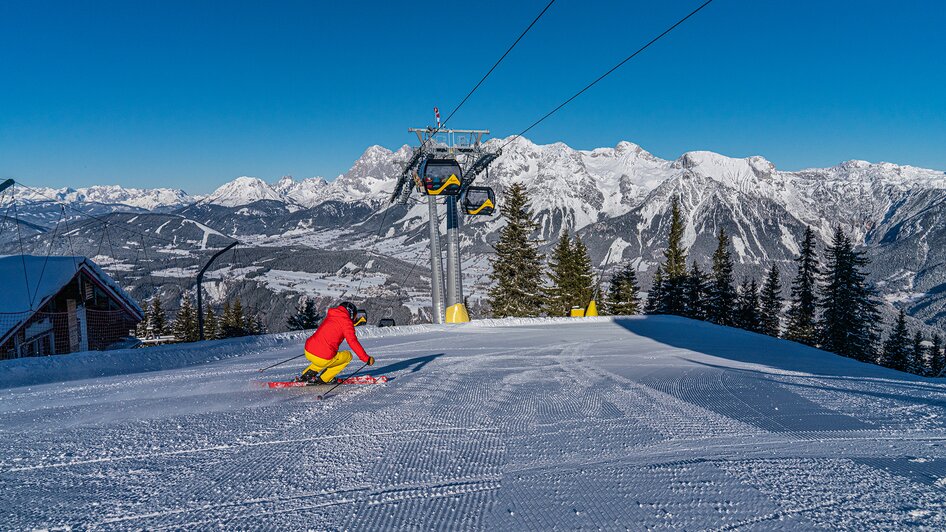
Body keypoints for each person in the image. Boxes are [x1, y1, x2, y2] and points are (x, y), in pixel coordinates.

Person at [298, 301, 374, 383]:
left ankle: (305, 376)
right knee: (348, 356)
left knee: (322, 358)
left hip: (308, 350)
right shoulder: (346, 323)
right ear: (351, 313)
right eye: (355, 315)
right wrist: (366, 358)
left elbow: (337, 326)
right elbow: (352, 341)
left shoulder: (331, 315)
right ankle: (324, 379)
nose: (355, 318)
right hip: (322, 357)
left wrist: (351, 324)